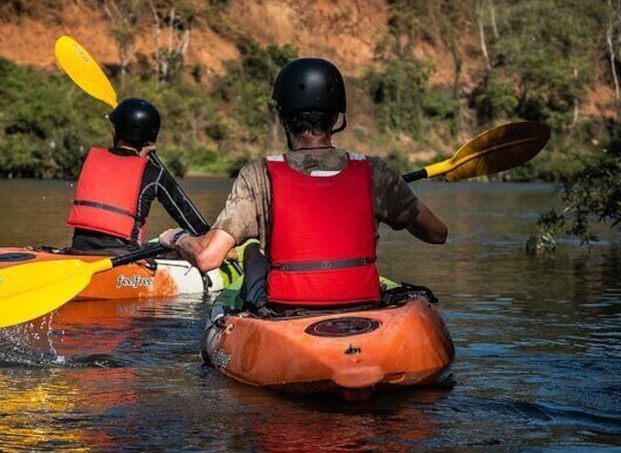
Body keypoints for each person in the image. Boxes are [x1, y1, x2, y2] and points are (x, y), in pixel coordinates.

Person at [159, 57, 447, 310]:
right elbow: (437, 233)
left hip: (286, 309)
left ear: (283, 117)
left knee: (252, 251)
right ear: (336, 116)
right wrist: (393, 197)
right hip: (362, 302)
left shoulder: (258, 174)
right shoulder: (375, 171)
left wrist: (177, 238)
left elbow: (208, 258)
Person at [67, 97, 205, 255]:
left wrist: (139, 157)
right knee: (176, 243)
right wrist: (209, 238)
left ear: (116, 131)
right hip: (123, 256)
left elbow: (117, 171)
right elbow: (187, 217)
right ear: (150, 139)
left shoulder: (88, 159)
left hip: (78, 250)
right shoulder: (155, 173)